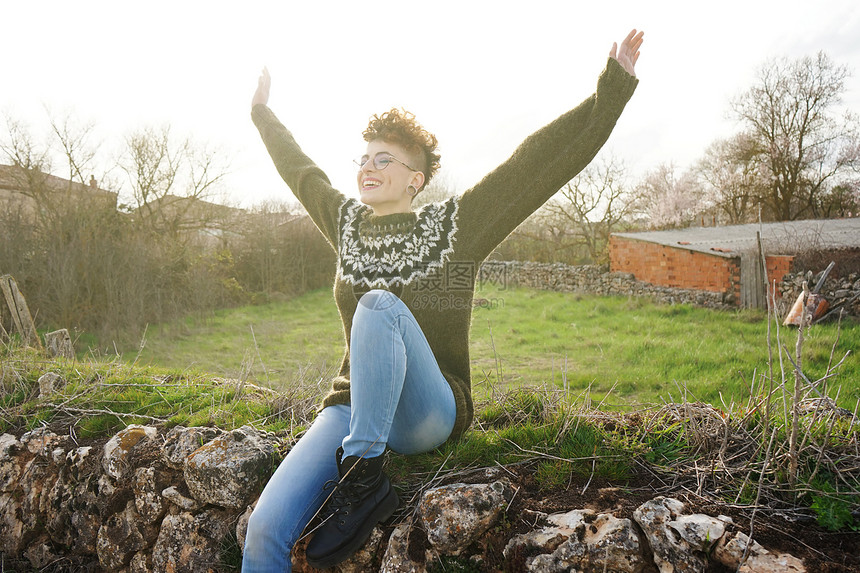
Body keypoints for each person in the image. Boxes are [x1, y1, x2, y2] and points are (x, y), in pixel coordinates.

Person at [242, 29, 644, 572]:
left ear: (416, 178)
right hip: (351, 405)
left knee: (377, 306)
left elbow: (535, 166)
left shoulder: (455, 227)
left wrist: (612, 88)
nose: (368, 166)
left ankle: (364, 479)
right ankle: (359, 464)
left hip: (430, 410)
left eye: (384, 159)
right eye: (363, 157)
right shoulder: (346, 225)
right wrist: (263, 115)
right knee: (265, 529)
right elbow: (300, 170)